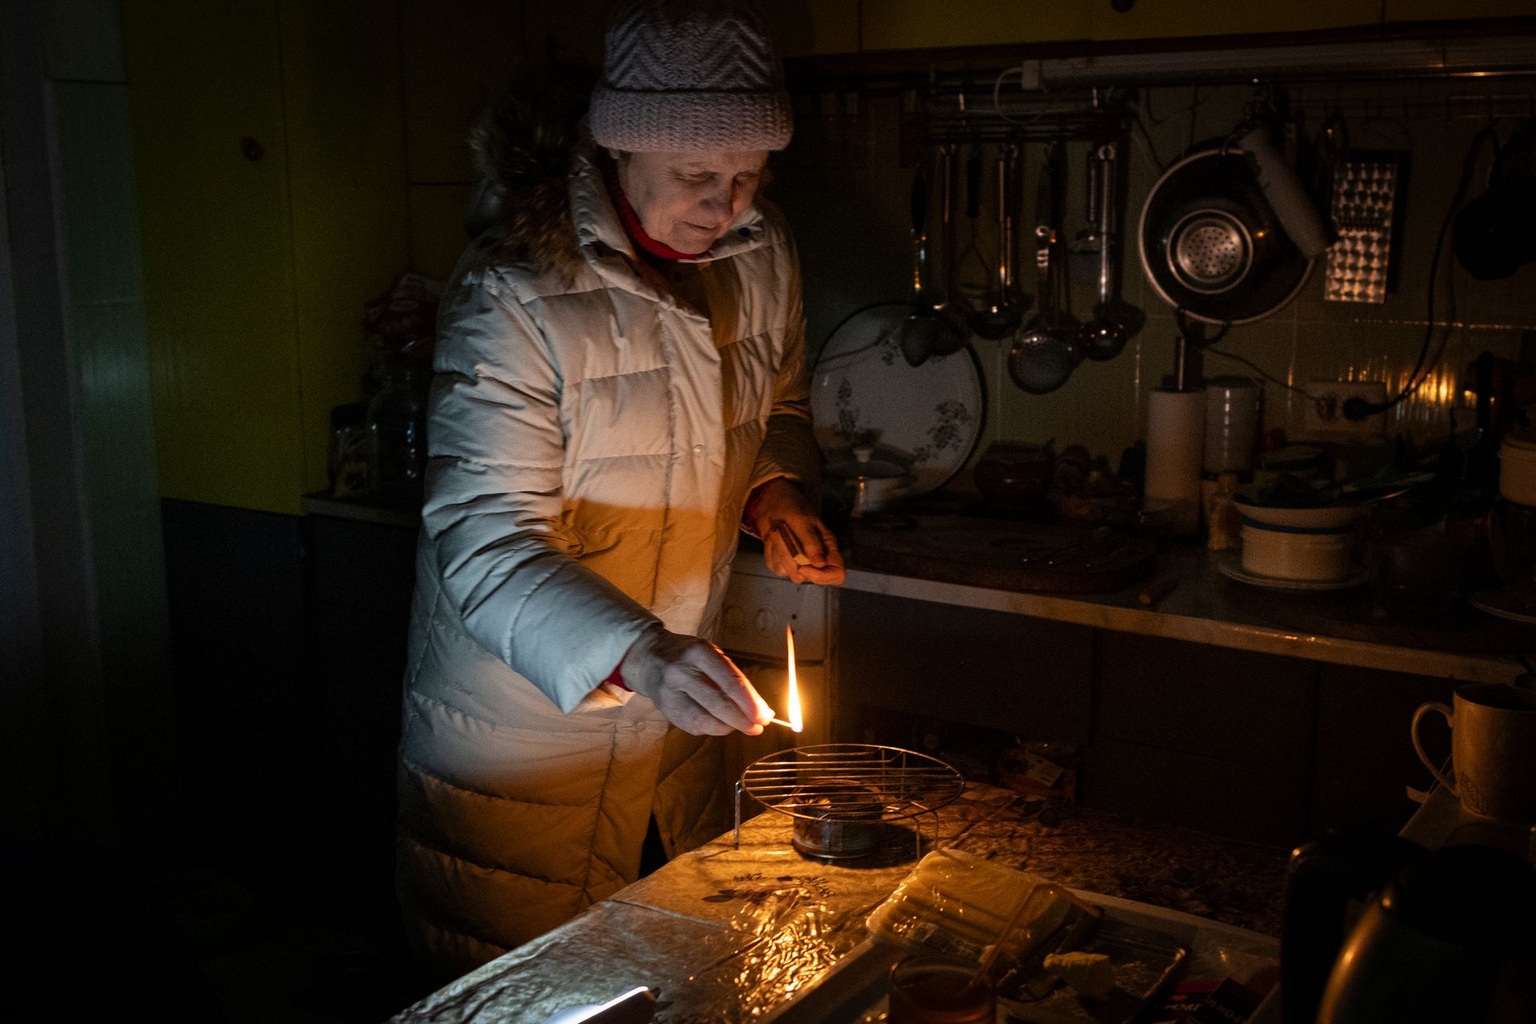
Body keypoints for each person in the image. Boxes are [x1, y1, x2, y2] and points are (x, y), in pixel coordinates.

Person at [395, 0, 845, 982]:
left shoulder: (761, 253)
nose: (726, 205)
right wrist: (635, 652)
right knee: (524, 989)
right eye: (695, 177)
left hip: (669, 723)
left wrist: (775, 489)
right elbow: (484, 539)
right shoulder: (514, 291)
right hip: (522, 740)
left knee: (669, 976)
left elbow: (782, 401)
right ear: (617, 151)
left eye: (747, 175)